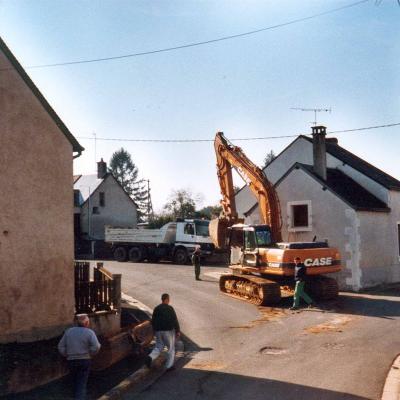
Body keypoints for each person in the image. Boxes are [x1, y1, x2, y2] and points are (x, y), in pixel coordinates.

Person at [58, 314, 101, 400]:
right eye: (88, 322)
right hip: (85, 360)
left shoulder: (69, 331)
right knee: (82, 383)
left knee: (73, 381)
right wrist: (91, 353)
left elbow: (60, 346)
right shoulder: (89, 332)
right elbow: (96, 346)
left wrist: (66, 354)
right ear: (86, 323)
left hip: (71, 360)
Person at [146, 293, 180, 371]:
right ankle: (169, 366)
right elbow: (175, 320)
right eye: (169, 299)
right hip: (168, 331)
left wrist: (154, 331)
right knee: (171, 348)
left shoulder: (156, 308)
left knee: (159, 346)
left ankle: (150, 357)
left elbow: (153, 320)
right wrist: (177, 330)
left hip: (158, 331)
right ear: (167, 299)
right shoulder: (170, 308)